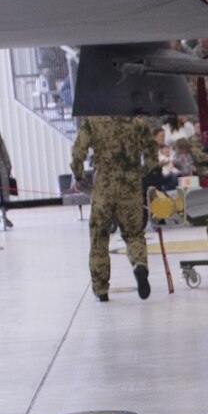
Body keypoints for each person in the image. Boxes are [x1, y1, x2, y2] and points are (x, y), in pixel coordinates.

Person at [71, 114, 156, 302]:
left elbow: (78, 152)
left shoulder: (92, 121)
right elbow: (152, 154)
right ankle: (139, 264)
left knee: (99, 237)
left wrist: (78, 175)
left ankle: (101, 289)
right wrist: (141, 171)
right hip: (131, 185)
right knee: (134, 233)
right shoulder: (138, 121)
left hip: (104, 185)